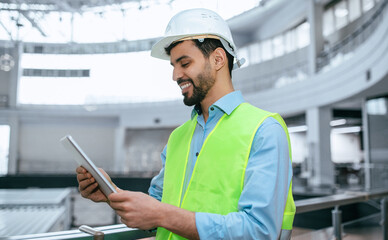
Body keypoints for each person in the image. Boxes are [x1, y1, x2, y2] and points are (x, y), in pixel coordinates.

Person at [76, 8, 295, 240]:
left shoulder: (265, 130)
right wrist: (112, 193)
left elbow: (259, 230)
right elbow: (157, 207)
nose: (175, 75)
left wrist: (162, 215)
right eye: (173, 66)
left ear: (218, 59)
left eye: (185, 63)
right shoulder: (179, 136)